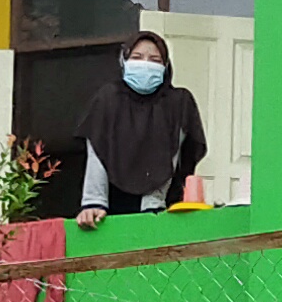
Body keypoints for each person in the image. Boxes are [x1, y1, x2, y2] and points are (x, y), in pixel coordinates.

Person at [76, 28, 210, 222]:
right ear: (123, 61)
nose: (145, 65)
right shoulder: (108, 98)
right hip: (108, 212)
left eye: (155, 60)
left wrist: (155, 201)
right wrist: (93, 203)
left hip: (159, 208)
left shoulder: (178, 102)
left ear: (166, 66)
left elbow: (177, 153)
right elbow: (97, 150)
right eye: (137, 57)